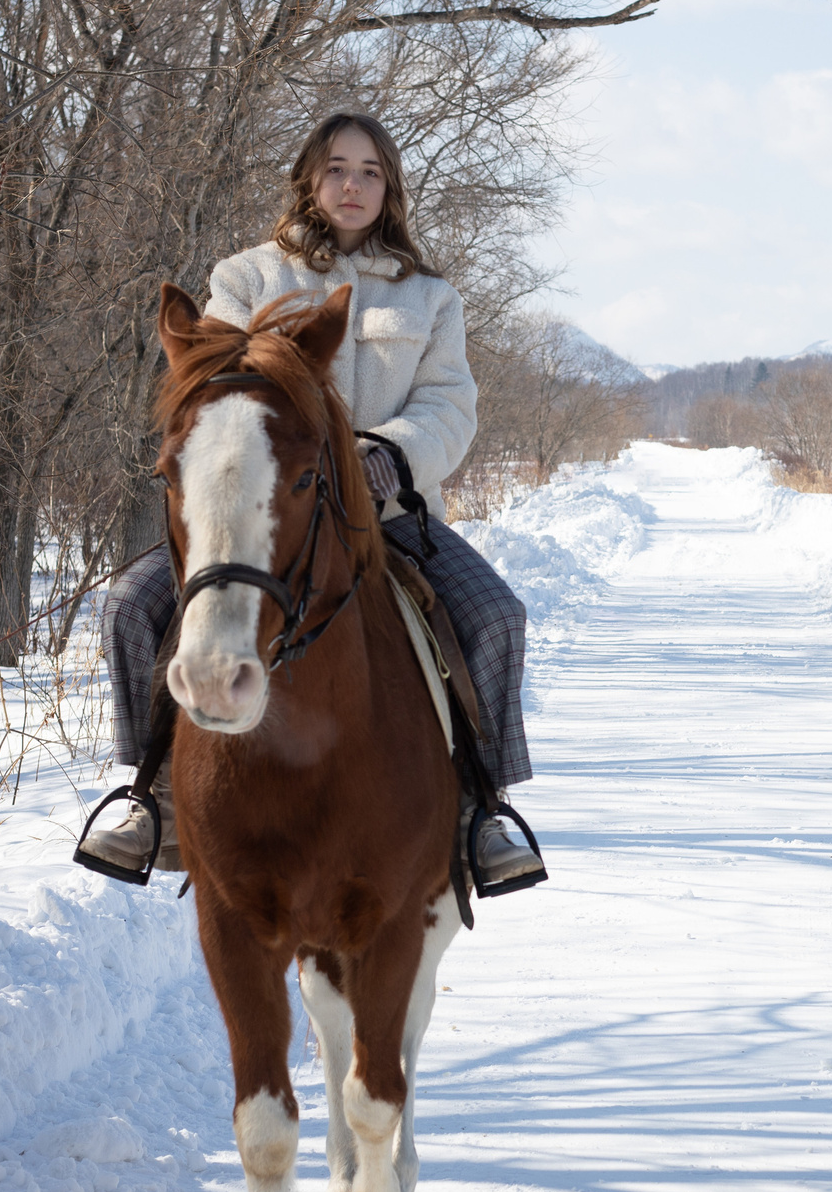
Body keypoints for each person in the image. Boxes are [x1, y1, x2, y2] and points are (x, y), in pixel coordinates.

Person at [78, 110, 545, 892]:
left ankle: (480, 809)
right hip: (266, 521)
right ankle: (150, 795)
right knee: (130, 606)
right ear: (309, 180)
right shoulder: (248, 278)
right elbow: (212, 383)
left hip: (390, 518)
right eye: (336, 168)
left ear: (389, 185)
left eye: (368, 170)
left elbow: (449, 407)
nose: (352, 184)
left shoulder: (431, 298)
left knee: (496, 617)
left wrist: (389, 455)